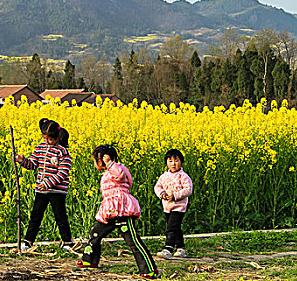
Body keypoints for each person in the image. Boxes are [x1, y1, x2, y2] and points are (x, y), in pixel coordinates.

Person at [76, 144, 161, 279]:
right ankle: (90, 260)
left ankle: (149, 269)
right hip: (110, 212)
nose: (94, 164)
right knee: (95, 233)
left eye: (95, 160)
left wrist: (110, 164)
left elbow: (122, 177)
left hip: (122, 211)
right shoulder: (108, 172)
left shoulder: (118, 168)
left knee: (132, 241)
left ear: (102, 160)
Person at [15, 118, 74, 251]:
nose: (47, 142)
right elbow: (33, 164)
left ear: (57, 137)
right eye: (44, 138)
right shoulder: (40, 148)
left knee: (60, 216)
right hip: (41, 190)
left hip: (57, 190)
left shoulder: (62, 151)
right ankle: (28, 241)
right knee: (35, 215)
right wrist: (22, 161)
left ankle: (67, 241)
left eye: (50, 139)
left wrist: (48, 183)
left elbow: (63, 173)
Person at [154, 148, 193, 259]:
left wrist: (175, 196)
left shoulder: (183, 176)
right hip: (167, 206)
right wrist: (162, 194)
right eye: (170, 161)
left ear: (181, 162)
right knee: (176, 228)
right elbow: (157, 187)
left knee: (171, 228)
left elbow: (188, 189)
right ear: (166, 163)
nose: (173, 164)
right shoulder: (164, 176)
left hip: (179, 207)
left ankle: (168, 248)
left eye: (176, 161)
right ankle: (181, 248)